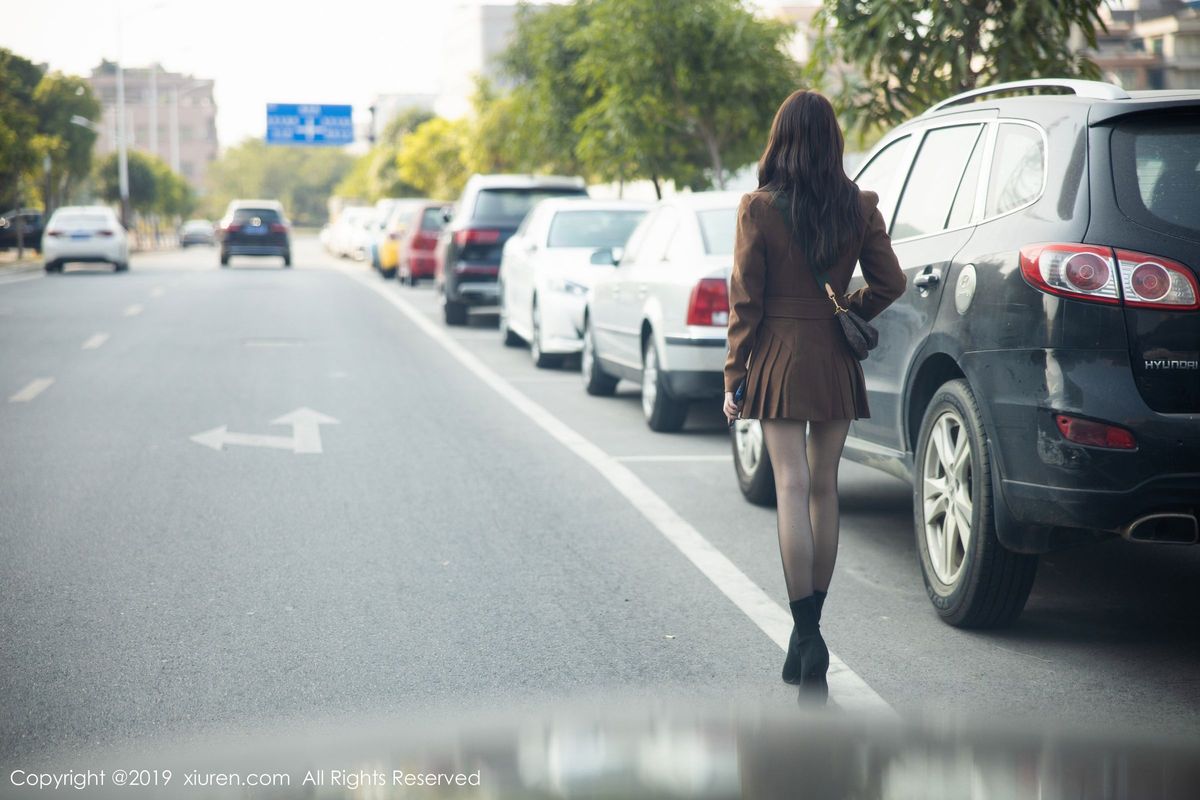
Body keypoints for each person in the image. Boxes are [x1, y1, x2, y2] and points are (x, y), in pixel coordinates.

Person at [723, 89, 906, 699]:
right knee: (824, 486)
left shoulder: (759, 208)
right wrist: (849, 308)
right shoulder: (858, 205)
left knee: (790, 487)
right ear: (833, 140)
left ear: (782, 139)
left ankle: (804, 633)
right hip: (832, 356)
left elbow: (745, 304)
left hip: (776, 356)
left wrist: (734, 375)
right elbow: (891, 281)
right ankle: (814, 630)